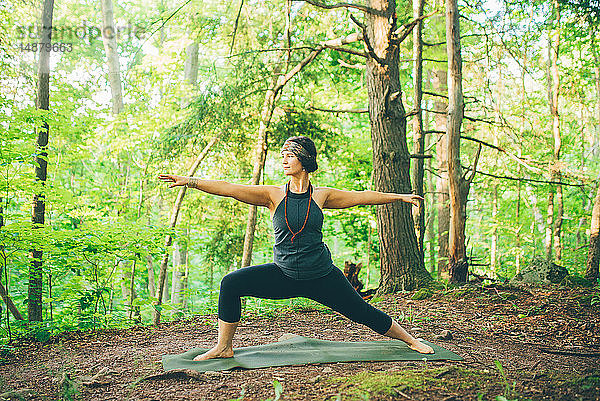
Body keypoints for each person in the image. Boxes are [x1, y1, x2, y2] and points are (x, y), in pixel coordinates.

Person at [158, 136, 434, 360]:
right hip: (284, 275)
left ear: (304, 159)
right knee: (231, 283)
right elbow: (229, 188)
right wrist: (191, 181)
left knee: (363, 312)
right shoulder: (272, 195)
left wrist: (399, 197)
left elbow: (361, 197)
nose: (284, 160)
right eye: (283, 155)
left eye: (290, 155)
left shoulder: (321, 195)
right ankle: (223, 347)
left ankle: (411, 340)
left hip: (322, 277)